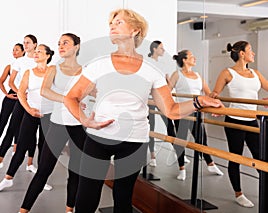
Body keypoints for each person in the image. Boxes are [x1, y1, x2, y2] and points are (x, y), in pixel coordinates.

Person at [64, 8, 223, 213]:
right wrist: (84, 120)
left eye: (118, 22)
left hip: (134, 141)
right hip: (98, 138)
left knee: (123, 199)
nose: (112, 26)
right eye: (111, 24)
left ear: (135, 30)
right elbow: (71, 97)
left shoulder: (152, 70)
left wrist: (199, 102)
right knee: (86, 198)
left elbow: (172, 110)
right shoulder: (98, 64)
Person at [19, 33, 87, 213]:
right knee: (43, 171)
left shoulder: (85, 71)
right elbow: (45, 91)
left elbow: (92, 92)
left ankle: (69, 209)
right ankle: (23, 210)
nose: (61, 46)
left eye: (66, 43)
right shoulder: (53, 69)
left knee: (76, 172)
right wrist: (68, 99)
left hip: (79, 126)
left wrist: (87, 100)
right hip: (58, 125)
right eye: (59, 43)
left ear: (77, 46)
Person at [210, 41, 268, 208]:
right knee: (235, 157)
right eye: (250, 50)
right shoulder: (228, 73)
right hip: (234, 121)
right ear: (242, 53)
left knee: (261, 156)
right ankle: (239, 193)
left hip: (253, 120)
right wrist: (217, 104)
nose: (253, 53)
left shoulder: (256, 73)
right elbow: (215, 93)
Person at [0, 44, 54, 193]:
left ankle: (41, 180)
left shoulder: (53, 71)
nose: (36, 53)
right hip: (30, 114)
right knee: (20, 147)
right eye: (36, 51)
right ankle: (8, 178)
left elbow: (64, 89)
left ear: (47, 55)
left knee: (44, 148)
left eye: (40, 51)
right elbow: (21, 93)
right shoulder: (28, 72)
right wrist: (29, 110)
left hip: (48, 115)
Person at [0, 35, 38, 175]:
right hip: (20, 98)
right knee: (12, 128)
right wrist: (20, 93)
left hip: (34, 100)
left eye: (28, 42)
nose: (25, 44)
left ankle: (30, 164)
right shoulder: (19, 61)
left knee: (31, 133)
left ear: (35, 44)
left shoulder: (39, 60)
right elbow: (11, 82)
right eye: (24, 42)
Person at [169, 50, 223, 181]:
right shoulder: (177, 75)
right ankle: (182, 168)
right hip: (181, 112)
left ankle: (210, 164)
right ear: (184, 60)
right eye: (192, 56)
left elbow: (208, 93)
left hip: (196, 113)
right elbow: (166, 92)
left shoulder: (198, 75)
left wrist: (216, 100)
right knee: (180, 141)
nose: (195, 58)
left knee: (202, 140)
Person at [147, 40, 176, 167]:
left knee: (169, 124)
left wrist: (168, 89)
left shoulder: (162, 64)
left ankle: (178, 152)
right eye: (161, 48)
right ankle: (152, 155)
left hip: (161, 99)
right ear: (154, 49)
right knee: (151, 126)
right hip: (150, 99)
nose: (163, 50)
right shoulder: (148, 63)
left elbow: (167, 82)